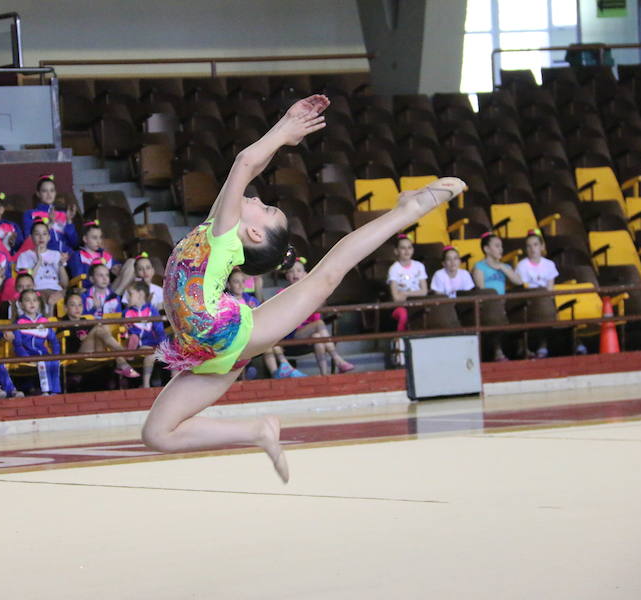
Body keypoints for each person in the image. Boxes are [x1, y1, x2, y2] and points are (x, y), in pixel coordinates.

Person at [142, 93, 466, 482]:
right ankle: (256, 432)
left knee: (324, 279)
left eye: (266, 208)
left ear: (255, 232)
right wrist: (286, 129)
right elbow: (245, 168)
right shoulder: (214, 229)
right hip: (206, 352)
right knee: (156, 434)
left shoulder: (226, 235)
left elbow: (244, 162)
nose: (259, 197)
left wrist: (284, 130)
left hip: (221, 332)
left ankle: (408, 211)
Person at [281, 257, 355, 375]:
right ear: (286, 276)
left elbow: (316, 317)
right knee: (319, 325)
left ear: (306, 275)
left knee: (318, 338)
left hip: (308, 335)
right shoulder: (282, 294)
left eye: (299, 270)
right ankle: (337, 358)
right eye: (291, 271)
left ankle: (324, 376)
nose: (295, 274)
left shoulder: (312, 294)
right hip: (291, 335)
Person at [227, 269, 304, 378]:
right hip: (238, 338)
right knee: (266, 342)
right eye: (236, 282)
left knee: (268, 341)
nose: (240, 285)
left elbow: (262, 316)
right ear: (228, 285)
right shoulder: (226, 303)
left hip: (255, 334)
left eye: (243, 281)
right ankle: (283, 367)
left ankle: (278, 371)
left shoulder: (251, 300)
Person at [63, 290, 139, 378]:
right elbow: (68, 344)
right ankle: (123, 354)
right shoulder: (62, 323)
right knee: (98, 328)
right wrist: (84, 338)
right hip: (77, 356)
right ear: (65, 308)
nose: (77, 308)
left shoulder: (85, 321)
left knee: (103, 327)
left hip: (96, 351)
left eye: (80, 305)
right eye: (73, 305)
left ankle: (122, 361)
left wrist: (88, 337)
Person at [472, 232, 523, 361]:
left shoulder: (504, 266)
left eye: (501, 246)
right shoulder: (479, 267)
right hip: (489, 306)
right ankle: (498, 352)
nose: (501, 249)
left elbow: (518, 281)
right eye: (497, 246)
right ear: (486, 249)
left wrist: (502, 268)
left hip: (504, 305)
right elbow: (481, 289)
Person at [515, 229, 560, 358]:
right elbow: (523, 288)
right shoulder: (521, 266)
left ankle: (543, 345)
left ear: (542, 246)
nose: (532, 249)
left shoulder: (549, 264)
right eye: (529, 246)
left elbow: (550, 287)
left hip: (545, 300)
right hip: (529, 302)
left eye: (535, 245)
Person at [387, 234, 428, 366]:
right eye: (403, 248)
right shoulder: (394, 269)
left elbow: (425, 291)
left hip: (417, 304)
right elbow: (396, 297)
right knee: (403, 315)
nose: (406, 251)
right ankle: (400, 348)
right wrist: (412, 294)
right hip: (400, 307)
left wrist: (405, 293)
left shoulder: (419, 266)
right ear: (396, 251)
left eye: (409, 247)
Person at [13, 289, 62, 395]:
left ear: (39, 303)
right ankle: (46, 390)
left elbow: (54, 341)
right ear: (21, 304)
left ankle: (55, 391)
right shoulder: (19, 323)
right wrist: (27, 357)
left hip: (44, 353)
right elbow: (18, 345)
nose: (32, 303)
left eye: (35, 300)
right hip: (28, 355)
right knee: (42, 362)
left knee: (54, 362)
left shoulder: (44, 321)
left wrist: (56, 354)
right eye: (28, 300)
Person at [16, 218, 68, 308]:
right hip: (37, 291)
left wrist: (60, 264)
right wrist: (39, 262)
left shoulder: (56, 254)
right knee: (48, 299)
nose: (41, 237)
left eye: (44, 234)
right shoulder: (24, 256)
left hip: (57, 291)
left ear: (49, 237)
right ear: (31, 237)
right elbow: (25, 282)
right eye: (37, 234)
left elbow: (65, 284)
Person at [124, 281, 167, 388]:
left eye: (130, 294)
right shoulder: (127, 313)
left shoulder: (152, 310)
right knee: (150, 354)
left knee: (172, 353)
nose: (127, 297)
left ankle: (175, 381)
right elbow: (128, 331)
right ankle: (146, 384)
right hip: (140, 345)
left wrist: (164, 345)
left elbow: (159, 329)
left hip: (156, 344)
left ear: (141, 294)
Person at [67, 219, 132, 290]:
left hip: (109, 289)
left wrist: (116, 269)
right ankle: (113, 298)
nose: (99, 241)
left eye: (100, 237)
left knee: (131, 262)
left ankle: (113, 297)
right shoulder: (77, 256)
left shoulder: (105, 255)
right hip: (88, 292)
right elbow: (78, 278)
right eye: (95, 238)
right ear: (85, 239)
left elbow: (118, 270)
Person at [20, 174, 78, 252]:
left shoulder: (64, 214)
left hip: (66, 254)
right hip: (43, 255)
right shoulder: (30, 214)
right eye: (44, 191)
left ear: (55, 193)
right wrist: (49, 225)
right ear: (38, 194)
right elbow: (29, 239)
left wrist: (69, 221)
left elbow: (74, 243)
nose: (49, 194)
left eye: (52, 190)